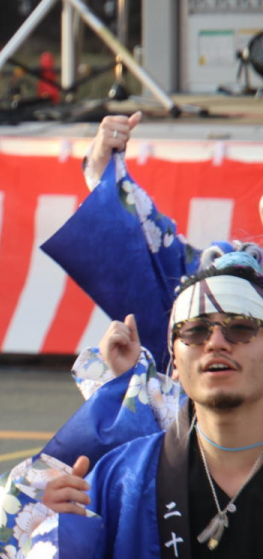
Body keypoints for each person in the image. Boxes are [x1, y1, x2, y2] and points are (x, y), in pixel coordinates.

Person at [0, 248, 263, 559]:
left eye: (240, 327)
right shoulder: (116, 480)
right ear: (173, 360)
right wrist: (55, 539)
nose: (215, 342)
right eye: (194, 331)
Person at [40, 111, 254, 368]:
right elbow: (160, 263)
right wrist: (106, 174)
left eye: (241, 329)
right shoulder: (241, 272)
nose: (217, 341)